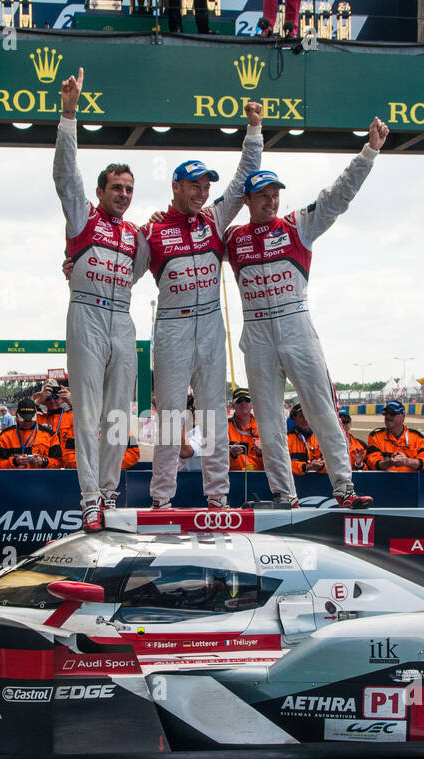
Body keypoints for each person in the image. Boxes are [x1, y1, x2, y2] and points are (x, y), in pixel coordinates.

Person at [224, 117, 391, 509]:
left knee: (321, 409)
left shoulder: (298, 225)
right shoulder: (232, 238)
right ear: (246, 201)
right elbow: (189, 245)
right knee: (268, 421)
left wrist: (369, 153)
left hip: (297, 325)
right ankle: (285, 494)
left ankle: (344, 488)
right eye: (262, 194)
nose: (271, 200)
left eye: (275, 193)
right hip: (257, 333)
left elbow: (337, 196)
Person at [141, 101, 262, 510]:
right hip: (172, 326)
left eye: (206, 185)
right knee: (170, 418)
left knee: (213, 417)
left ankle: (218, 498)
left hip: (210, 322)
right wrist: (75, 262)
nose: (203, 191)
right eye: (195, 185)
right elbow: (121, 264)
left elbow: (245, 176)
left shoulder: (213, 217)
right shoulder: (153, 228)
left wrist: (254, 131)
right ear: (176, 187)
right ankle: (161, 500)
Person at [56, 67, 141, 530]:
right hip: (87, 314)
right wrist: (69, 116)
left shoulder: (135, 235)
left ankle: (107, 493)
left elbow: (163, 263)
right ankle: (89, 495)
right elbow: (65, 175)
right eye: (116, 188)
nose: (123, 195)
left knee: (117, 414)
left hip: (122, 318)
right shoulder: (83, 217)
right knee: (87, 410)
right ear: (100, 190)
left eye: (129, 190)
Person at [366, 400, 424, 472]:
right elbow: (372, 462)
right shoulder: (375, 437)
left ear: (403, 417)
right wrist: (390, 463)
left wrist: (407, 461)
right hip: (384, 480)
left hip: (410, 480)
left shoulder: (417, 438)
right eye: (386, 413)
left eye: (392, 414)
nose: (388, 416)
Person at [0, 397, 56, 469]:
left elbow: (59, 463)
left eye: (30, 420)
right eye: (24, 420)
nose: (27, 423)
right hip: (14, 478)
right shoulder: (5, 435)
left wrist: (43, 461)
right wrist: (15, 461)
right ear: (17, 416)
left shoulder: (49, 435)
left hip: (40, 478)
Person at [35, 380, 76, 469]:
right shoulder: (39, 418)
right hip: (47, 468)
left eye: (55, 396)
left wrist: (72, 402)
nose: (52, 400)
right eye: (48, 397)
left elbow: (90, 422)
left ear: (61, 397)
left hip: (71, 467)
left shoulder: (73, 415)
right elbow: (21, 421)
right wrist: (38, 401)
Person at [228, 386, 263, 472]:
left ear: (252, 404)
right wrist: (232, 455)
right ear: (233, 405)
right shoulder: (224, 427)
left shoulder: (262, 428)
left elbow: (273, 463)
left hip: (259, 477)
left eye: (247, 400)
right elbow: (217, 461)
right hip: (234, 478)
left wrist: (261, 454)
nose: (243, 403)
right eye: (239, 400)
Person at [286, 404, 324, 475]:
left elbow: (332, 462)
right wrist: (305, 467)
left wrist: (321, 466)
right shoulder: (287, 439)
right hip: (295, 484)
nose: (305, 419)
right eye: (301, 416)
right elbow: (282, 464)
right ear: (294, 419)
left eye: (308, 415)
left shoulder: (321, 437)